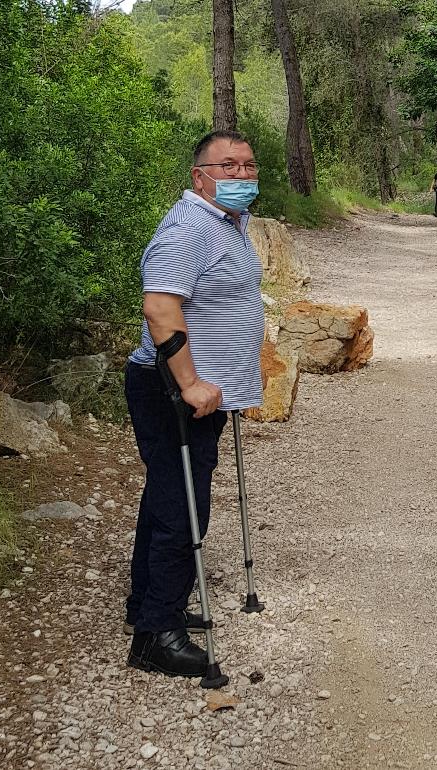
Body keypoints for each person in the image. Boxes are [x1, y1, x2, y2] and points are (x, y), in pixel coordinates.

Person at [123, 130, 265, 678]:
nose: (241, 176)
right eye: (228, 167)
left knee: (167, 497)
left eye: (249, 166)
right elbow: (160, 308)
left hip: (203, 393)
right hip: (175, 392)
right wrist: (189, 384)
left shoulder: (226, 222)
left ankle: (148, 605)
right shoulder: (187, 229)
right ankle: (155, 635)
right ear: (199, 176)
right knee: (183, 507)